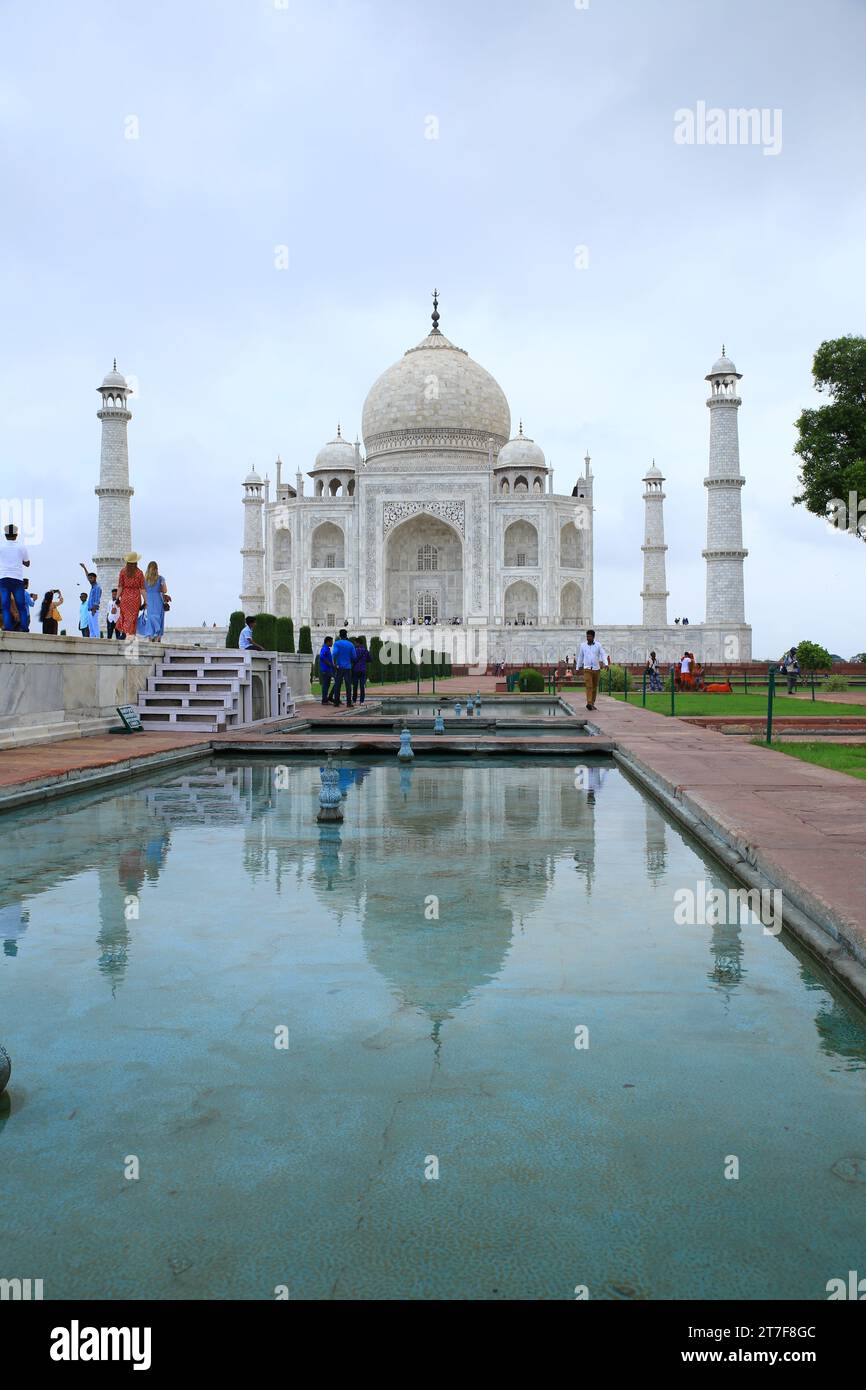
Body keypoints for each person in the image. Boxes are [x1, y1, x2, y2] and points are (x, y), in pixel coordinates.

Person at [0, 523, 30, 632]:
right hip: (17, 579)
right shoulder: (21, 547)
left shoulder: (1, 546)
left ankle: (8, 627)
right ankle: (24, 627)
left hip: (3, 578)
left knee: (6, 605)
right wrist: (19, 560)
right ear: (16, 535)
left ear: (5, 535)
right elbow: (27, 563)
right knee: (21, 605)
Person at [576, 628, 609, 711]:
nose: (588, 638)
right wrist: (578, 667)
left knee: (594, 687)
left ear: (593, 637)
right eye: (587, 636)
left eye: (590, 637)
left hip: (596, 669)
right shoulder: (583, 645)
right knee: (589, 686)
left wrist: (606, 664)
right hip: (587, 669)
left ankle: (592, 703)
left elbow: (603, 654)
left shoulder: (598, 645)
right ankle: (589, 703)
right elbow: (580, 656)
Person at [116, 553, 145, 640]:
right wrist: (146, 601)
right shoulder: (139, 573)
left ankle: (125, 633)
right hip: (135, 597)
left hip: (125, 596)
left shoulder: (123, 571)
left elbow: (120, 586)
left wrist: (117, 598)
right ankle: (130, 634)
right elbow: (142, 589)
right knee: (132, 617)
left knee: (124, 615)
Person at [142, 561, 170, 639]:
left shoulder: (144, 580)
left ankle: (150, 638)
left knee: (150, 618)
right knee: (159, 617)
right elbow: (165, 590)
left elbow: (143, 591)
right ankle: (158, 637)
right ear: (156, 569)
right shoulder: (160, 578)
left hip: (149, 600)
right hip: (158, 600)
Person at [331, 629, 356, 707]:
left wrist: (334, 663)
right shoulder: (350, 644)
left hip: (339, 667)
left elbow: (334, 653)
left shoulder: (337, 643)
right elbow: (354, 656)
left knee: (337, 685)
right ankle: (349, 703)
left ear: (340, 635)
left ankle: (336, 702)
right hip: (348, 667)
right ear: (346, 635)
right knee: (348, 685)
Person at [79, 562, 102, 637]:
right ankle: (92, 642)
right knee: (91, 629)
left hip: (93, 610)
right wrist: (84, 568)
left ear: (95, 578)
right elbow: (87, 576)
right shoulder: (93, 586)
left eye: (91, 578)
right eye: (89, 578)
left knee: (95, 628)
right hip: (90, 610)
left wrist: (94, 609)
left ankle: (98, 641)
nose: (90, 579)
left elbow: (97, 599)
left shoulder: (97, 587)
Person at [351, 636, 371, 705]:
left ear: (358, 643)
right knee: (362, 686)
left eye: (355, 643)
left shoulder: (354, 651)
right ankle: (361, 701)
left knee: (355, 686)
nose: (354, 644)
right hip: (363, 669)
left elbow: (352, 659)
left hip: (356, 670)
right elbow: (370, 659)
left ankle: (354, 701)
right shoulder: (365, 651)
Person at [318, 635, 335, 704]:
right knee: (326, 685)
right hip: (326, 669)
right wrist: (328, 663)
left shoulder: (327, 648)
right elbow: (322, 656)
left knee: (327, 684)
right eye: (331, 642)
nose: (332, 643)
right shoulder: (325, 648)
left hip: (328, 669)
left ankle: (326, 699)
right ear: (328, 642)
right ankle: (325, 699)